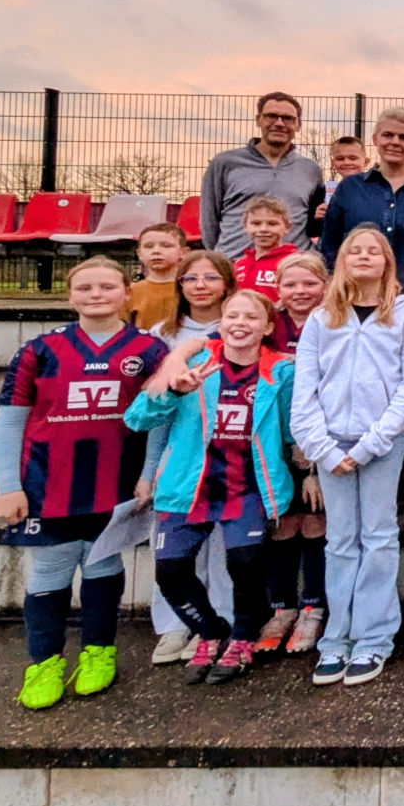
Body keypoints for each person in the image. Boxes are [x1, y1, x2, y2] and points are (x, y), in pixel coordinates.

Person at [0, 257, 168, 709]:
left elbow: (160, 421)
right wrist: (8, 485)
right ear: (70, 295)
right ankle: (44, 661)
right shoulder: (40, 349)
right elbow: (11, 422)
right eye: (86, 287)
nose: (96, 295)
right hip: (46, 482)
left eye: (107, 287)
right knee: (50, 571)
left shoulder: (148, 350)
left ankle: (98, 652)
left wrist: (148, 473)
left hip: (116, 482)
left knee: (102, 568)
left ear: (127, 293)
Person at [125, 289, 297, 687]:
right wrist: (173, 391)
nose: (240, 324)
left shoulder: (280, 373)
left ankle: (242, 637)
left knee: (247, 564)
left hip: (247, 487)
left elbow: (292, 431)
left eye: (251, 318)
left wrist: (307, 470)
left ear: (268, 327)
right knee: (170, 570)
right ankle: (211, 631)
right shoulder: (191, 362)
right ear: (221, 322)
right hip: (188, 486)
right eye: (232, 315)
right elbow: (137, 419)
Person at [290, 227, 404, 687]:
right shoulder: (321, 318)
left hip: (380, 444)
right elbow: (304, 392)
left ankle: (373, 638)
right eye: (355, 250)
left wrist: (373, 441)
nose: (364, 256)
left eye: (374, 251)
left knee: (379, 537)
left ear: (388, 261)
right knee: (340, 542)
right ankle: (338, 637)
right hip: (331, 445)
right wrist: (323, 449)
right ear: (342, 261)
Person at [146, 249, 238, 665]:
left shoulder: (241, 325)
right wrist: (149, 471)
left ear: (227, 284)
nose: (200, 286)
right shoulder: (162, 336)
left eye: (210, 278)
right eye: (191, 279)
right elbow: (154, 410)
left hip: (230, 457)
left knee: (225, 549)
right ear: (179, 286)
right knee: (175, 554)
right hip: (179, 459)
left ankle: (224, 624)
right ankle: (173, 625)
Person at [258, 252, 329, 655]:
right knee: (282, 519)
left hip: (317, 437)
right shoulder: (268, 324)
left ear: (324, 284)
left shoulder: (333, 319)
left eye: (309, 284)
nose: (300, 292)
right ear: (278, 288)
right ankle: (281, 607)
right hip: (271, 437)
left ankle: (313, 608)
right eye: (291, 285)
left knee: (314, 519)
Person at [321, 107, 404, 295]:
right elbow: (330, 244)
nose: (395, 142)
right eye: (388, 135)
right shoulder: (349, 189)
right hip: (357, 297)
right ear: (375, 139)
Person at [200, 92, 325, 259]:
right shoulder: (225, 162)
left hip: (292, 268)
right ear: (259, 120)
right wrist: (221, 258)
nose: (279, 123)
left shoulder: (311, 169)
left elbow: (312, 223)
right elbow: (209, 219)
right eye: (271, 116)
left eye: (287, 118)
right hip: (236, 264)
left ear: (298, 124)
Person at [231, 197, 299, 300]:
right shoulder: (240, 264)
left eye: (272, 224)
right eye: (256, 224)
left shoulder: (294, 262)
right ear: (245, 227)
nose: (263, 229)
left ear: (287, 227)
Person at [127, 222, 187, 330]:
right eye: (149, 246)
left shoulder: (190, 289)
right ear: (140, 254)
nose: (156, 251)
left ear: (183, 252)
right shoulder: (131, 292)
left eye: (166, 246)